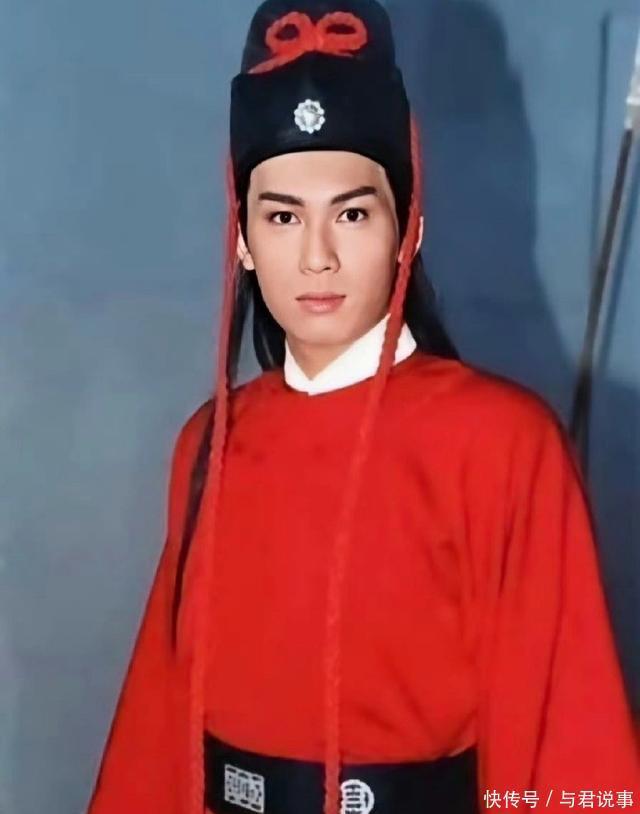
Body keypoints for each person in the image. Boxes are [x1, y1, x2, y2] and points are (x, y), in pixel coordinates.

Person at [86, 1, 640, 813]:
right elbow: (155, 730)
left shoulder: (501, 444)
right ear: (242, 238)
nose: (317, 256)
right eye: (282, 216)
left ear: (408, 227)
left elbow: (568, 736)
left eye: (352, 212)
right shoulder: (208, 442)